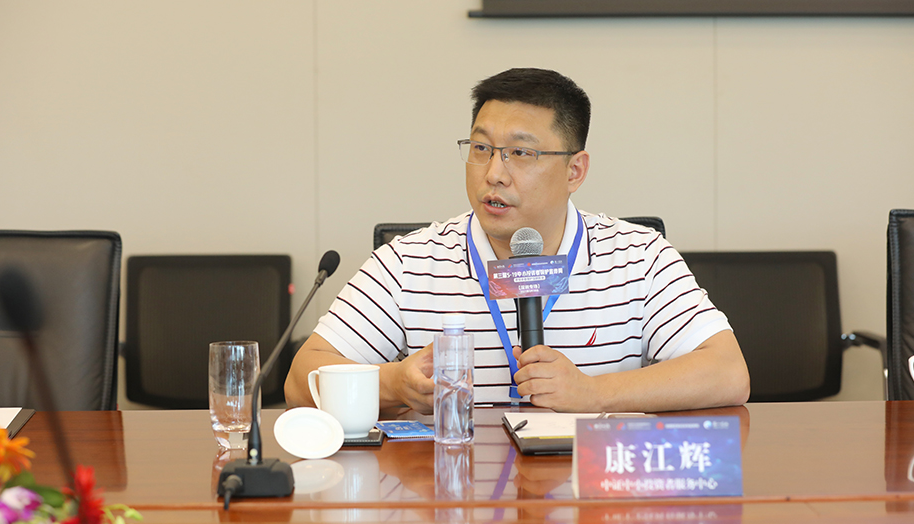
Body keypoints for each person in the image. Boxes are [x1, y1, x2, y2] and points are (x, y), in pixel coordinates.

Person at [285, 68, 750, 414]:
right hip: (452, 491)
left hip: (589, 495)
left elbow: (728, 373)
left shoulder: (638, 257)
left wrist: (593, 393)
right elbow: (300, 379)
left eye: (521, 153)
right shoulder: (409, 262)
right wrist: (392, 383)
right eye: (481, 148)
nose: (493, 173)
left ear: (575, 171)